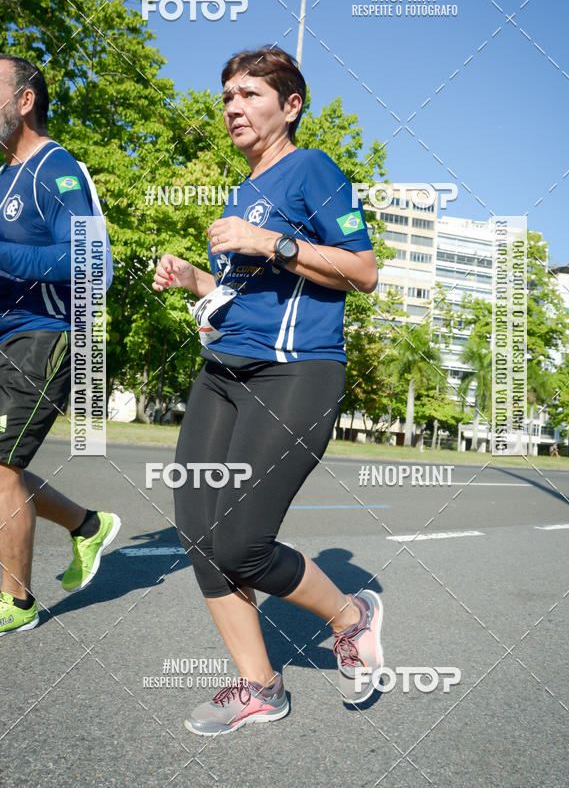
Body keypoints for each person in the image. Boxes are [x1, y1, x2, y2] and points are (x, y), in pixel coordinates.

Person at [152, 46, 383, 735]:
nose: (233, 108)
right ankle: (258, 686)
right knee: (198, 533)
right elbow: (243, 291)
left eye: (250, 94)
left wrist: (272, 242)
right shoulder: (239, 192)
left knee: (241, 544)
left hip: (296, 373)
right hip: (223, 372)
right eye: (226, 97)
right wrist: (197, 278)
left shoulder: (312, 169)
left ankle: (351, 615)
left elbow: (363, 272)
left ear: (290, 105)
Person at [0, 55, 120, 635]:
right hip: (5, 336)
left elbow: (94, 263)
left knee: (0, 469)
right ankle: (86, 526)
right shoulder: (2, 179)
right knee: (3, 468)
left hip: (48, 335)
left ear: (24, 101)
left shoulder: (58, 168)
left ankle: (16, 603)